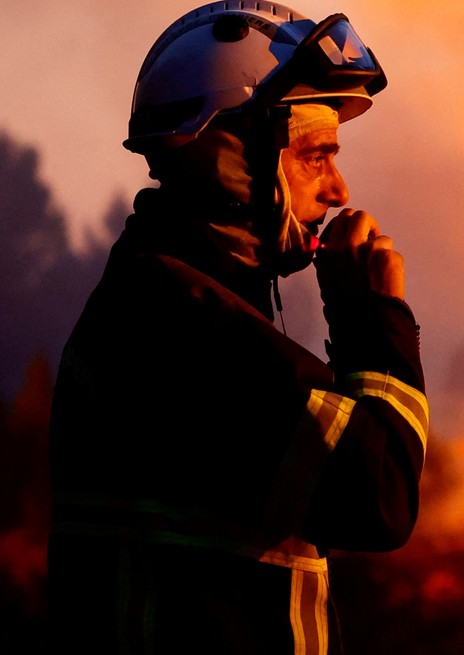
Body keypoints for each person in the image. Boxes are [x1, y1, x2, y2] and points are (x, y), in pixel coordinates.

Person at [46, 2, 427, 653]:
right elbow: (379, 494)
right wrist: (372, 318)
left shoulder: (171, 301)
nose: (338, 189)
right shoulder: (178, 329)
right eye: (315, 157)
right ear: (229, 156)